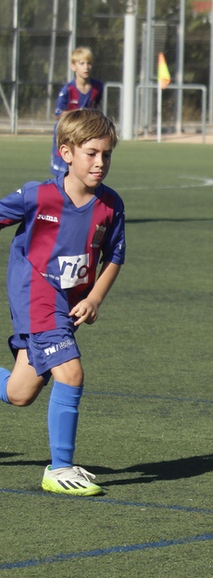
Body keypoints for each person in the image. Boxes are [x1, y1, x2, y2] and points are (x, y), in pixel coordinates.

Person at [1, 109, 126, 496]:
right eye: (91, 153)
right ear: (66, 153)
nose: (100, 162)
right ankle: (59, 468)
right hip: (37, 297)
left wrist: (94, 297)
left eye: (106, 154)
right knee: (70, 372)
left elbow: (115, 256)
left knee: (21, 393)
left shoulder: (111, 205)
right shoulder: (38, 196)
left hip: (70, 304)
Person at [51, 46, 104, 175]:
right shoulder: (67, 90)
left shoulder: (98, 87)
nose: (86, 67)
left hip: (86, 131)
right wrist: (78, 114)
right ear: (73, 67)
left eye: (89, 63)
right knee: (64, 172)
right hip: (68, 130)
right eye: (82, 64)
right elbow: (58, 113)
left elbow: (96, 106)